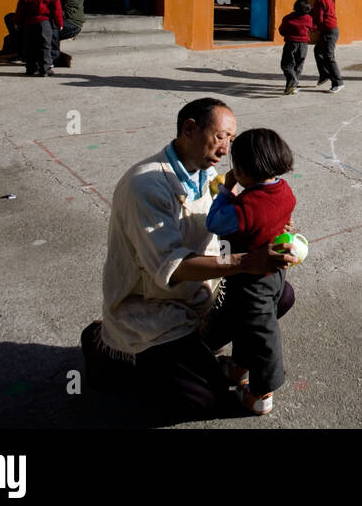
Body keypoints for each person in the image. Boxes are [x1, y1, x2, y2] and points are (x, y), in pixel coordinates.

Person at [79, 99, 296, 421]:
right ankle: (104, 347)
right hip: (154, 306)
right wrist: (247, 261)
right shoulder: (146, 185)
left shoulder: (210, 177)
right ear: (190, 129)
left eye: (231, 140)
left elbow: (235, 226)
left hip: (201, 298)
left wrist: (272, 232)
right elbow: (173, 267)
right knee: (201, 400)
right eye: (220, 136)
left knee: (278, 294)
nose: (226, 149)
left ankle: (200, 351)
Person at [205, 128, 298, 415]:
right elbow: (282, 218)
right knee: (244, 322)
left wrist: (226, 190)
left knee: (262, 334)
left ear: (243, 170)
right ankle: (239, 367)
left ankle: (261, 394)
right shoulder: (284, 190)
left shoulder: (246, 206)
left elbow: (214, 222)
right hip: (273, 276)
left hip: (252, 281)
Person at [15, 0, 63, 77]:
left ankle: (31, 68)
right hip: (44, 23)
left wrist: (17, 22)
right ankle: (45, 69)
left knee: (29, 46)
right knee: (45, 46)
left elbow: (20, 9)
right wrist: (59, 23)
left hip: (29, 23)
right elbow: (57, 10)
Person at [308, 0, 343, 92]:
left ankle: (338, 82)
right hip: (330, 30)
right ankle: (324, 75)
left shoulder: (319, 1)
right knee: (318, 51)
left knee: (328, 56)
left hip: (329, 31)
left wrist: (311, 27)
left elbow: (319, 19)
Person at [277, 0, 313, 95]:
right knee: (298, 66)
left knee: (287, 65)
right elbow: (313, 28)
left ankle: (293, 81)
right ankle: (291, 87)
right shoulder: (308, 18)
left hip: (291, 44)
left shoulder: (288, 18)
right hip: (304, 45)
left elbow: (281, 31)